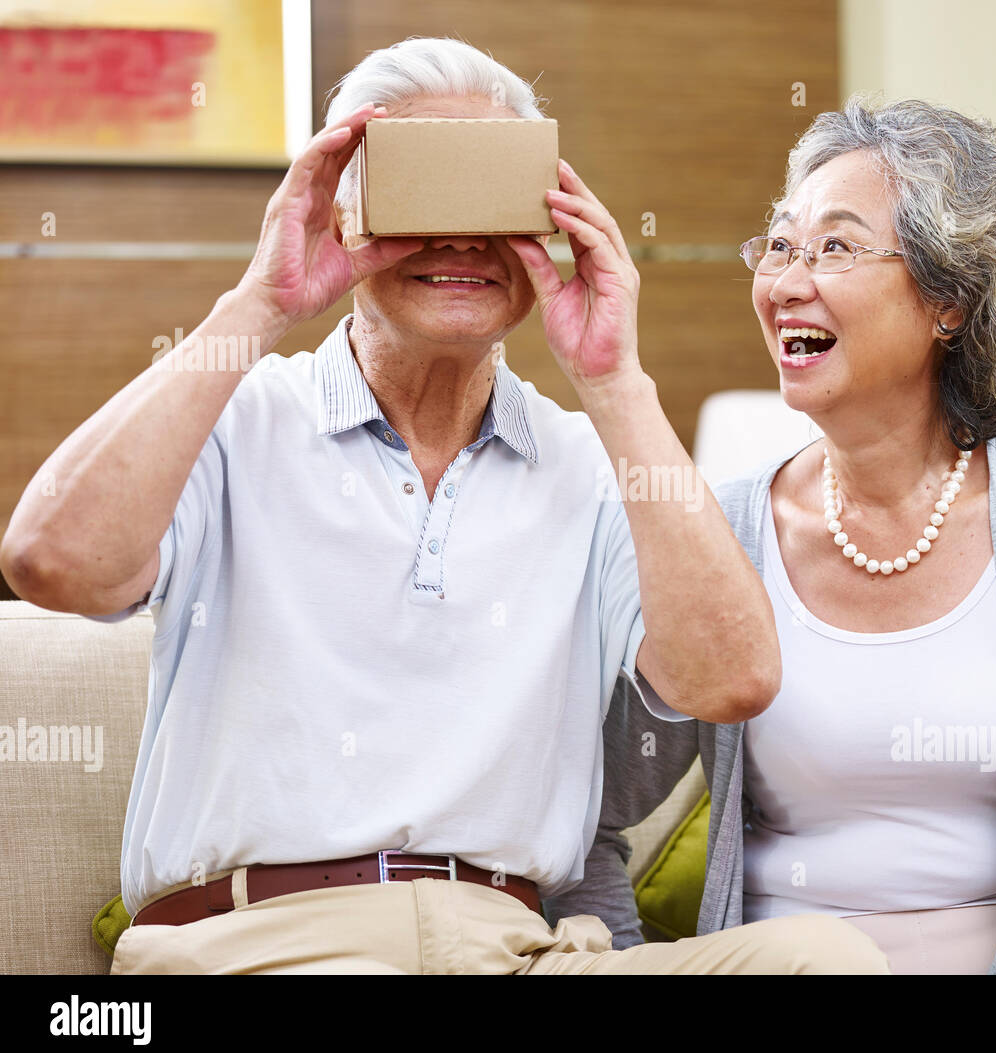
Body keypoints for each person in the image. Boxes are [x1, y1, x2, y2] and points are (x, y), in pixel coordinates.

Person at [0, 38, 888, 975]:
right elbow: (51, 561)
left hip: (518, 945)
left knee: (823, 959)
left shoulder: (590, 463)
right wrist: (259, 302)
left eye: (495, 198)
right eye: (426, 193)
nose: (463, 238)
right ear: (347, 211)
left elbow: (731, 680)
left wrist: (614, 378)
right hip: (261, 947)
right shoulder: (231, 416)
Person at [550, 94, 996, 975]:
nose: (786, 283)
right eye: (781, 245)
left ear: (950, 299)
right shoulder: (724, 533)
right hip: (798, 966)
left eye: (835, 247)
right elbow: (584, 819)